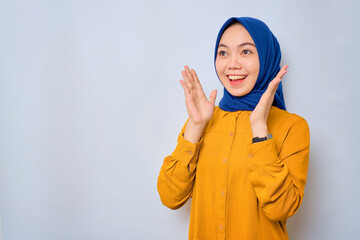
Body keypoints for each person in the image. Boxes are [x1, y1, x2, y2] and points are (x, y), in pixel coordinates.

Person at [157, 17, 310, 240]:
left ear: (267, 57)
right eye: (223, 53)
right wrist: (195, 126)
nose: (232, 64)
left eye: (246, 52)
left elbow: (282, 208)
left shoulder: (293, 127)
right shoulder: (202, 121)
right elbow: (171, 197)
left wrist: (259, 131)